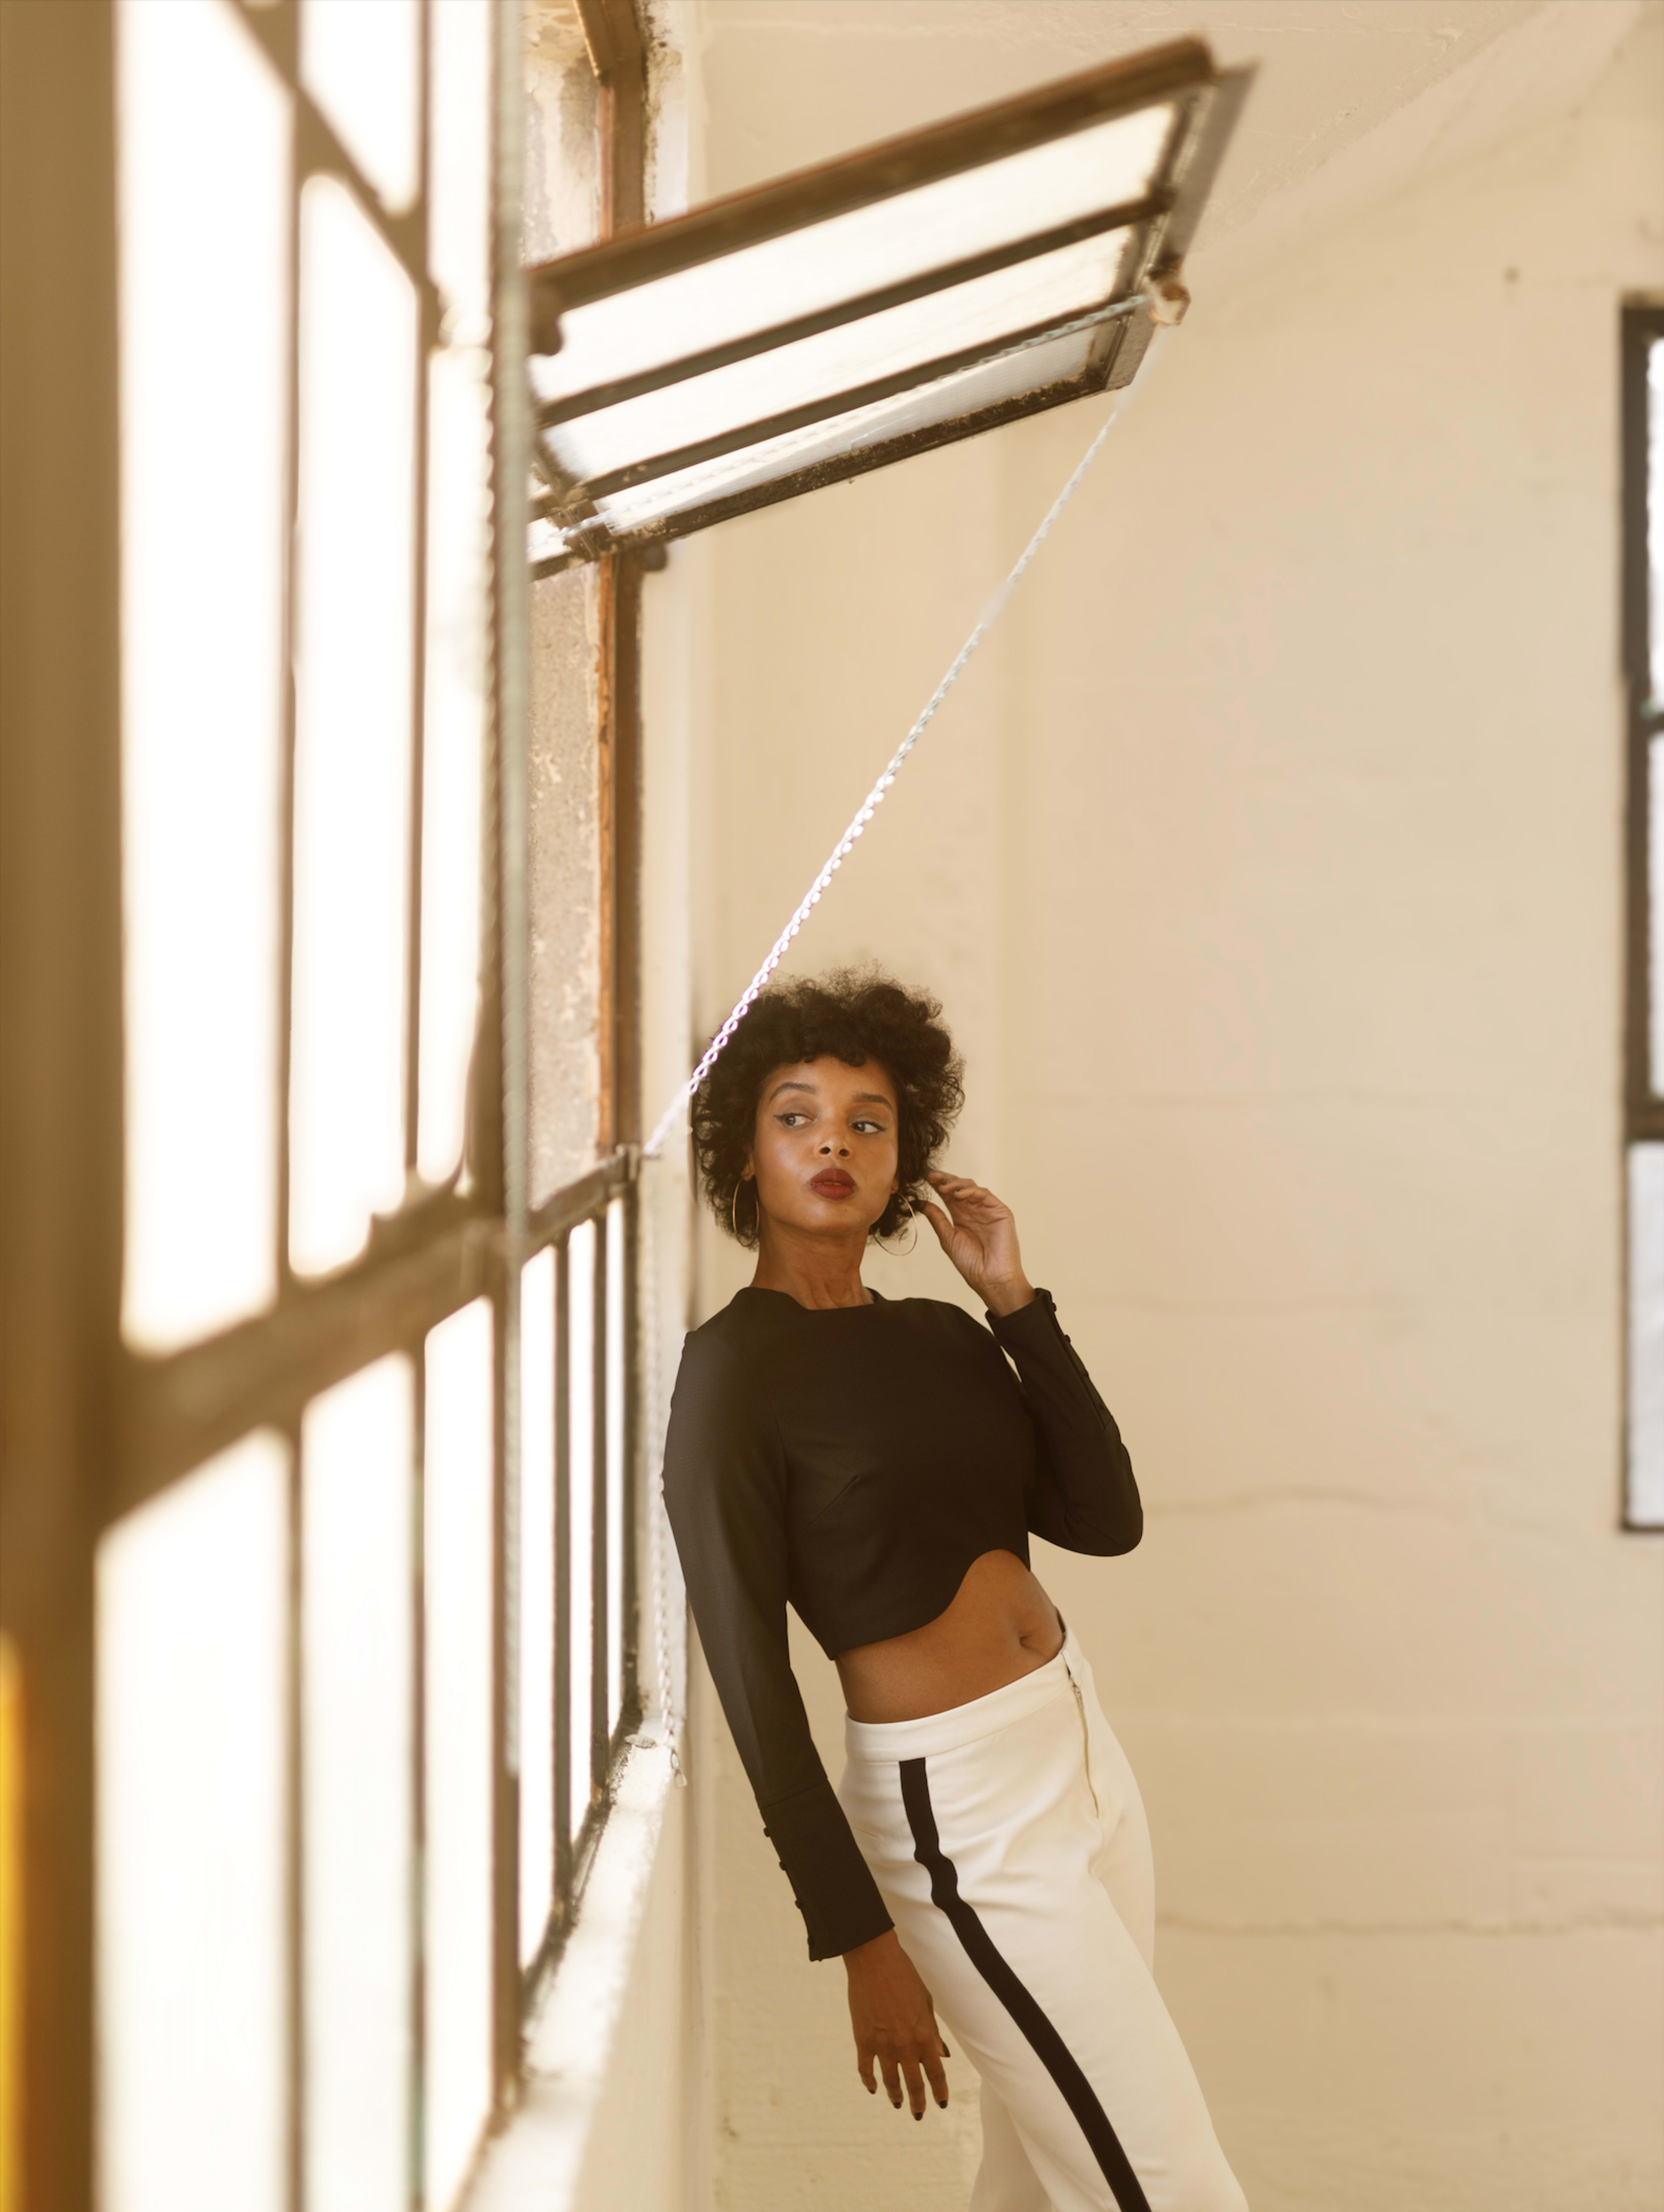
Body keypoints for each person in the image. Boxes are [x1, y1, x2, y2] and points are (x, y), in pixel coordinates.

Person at [663, 970, 1248, 2212]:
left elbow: (1107, 1519)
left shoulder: (941, 1333)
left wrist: (1014, 1302)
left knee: (1043, 2180)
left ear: (904, 1160)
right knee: (1173, 2188)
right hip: (957, 1815)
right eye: (798, 1113)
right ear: (743, 1150)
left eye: (869, 1120)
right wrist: (859, 1932)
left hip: (1083, 1758)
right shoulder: (730, 1377)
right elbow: (754, 1683)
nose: (835, 1140)